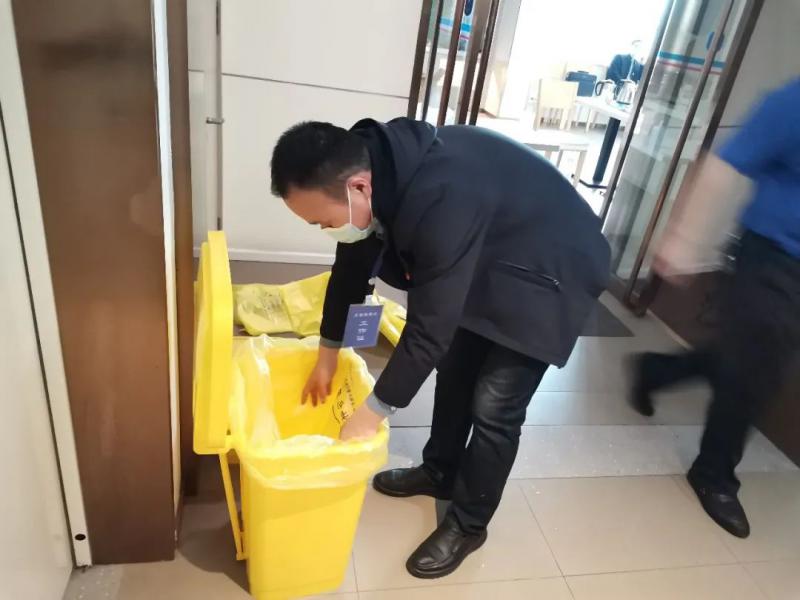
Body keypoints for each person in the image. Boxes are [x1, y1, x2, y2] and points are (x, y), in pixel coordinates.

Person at [270, 118, 610, 578]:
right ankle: (440, 470)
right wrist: (327, 355)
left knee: (494, 404)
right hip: (494, 249)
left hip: (553, 266)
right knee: (454, 371)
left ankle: (469, 524)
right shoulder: (373, 168)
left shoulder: (442, 194)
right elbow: (350, 270)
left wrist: (370, 414)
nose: (326, 230)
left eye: (323, 222)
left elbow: (429, 330)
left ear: (358, 187)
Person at [630, 77, 800, 539]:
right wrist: (683, 240)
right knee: (756, 374)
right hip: (773, 259)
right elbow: (724, 166)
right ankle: (713, 473)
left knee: (747, 359)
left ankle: (655, 371)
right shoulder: (792, 101)